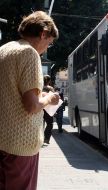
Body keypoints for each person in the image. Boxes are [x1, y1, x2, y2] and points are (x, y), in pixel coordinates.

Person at [0, 11, 59, 190]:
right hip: (20, 145)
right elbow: (32, 105)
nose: (47, 48)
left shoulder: (4, 49)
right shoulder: (29, 53)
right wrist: (49, 97)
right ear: (43, 33)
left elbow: (13, 94)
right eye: (49, 42)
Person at [43, 75, 55, 143]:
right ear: (49, 81)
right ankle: (46, 138)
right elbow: (54, 98)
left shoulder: (40, 88)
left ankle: (40, 138)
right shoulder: (50, 88)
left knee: (40, 124)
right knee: (50, 124)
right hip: (48, 109)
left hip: (40, 108)